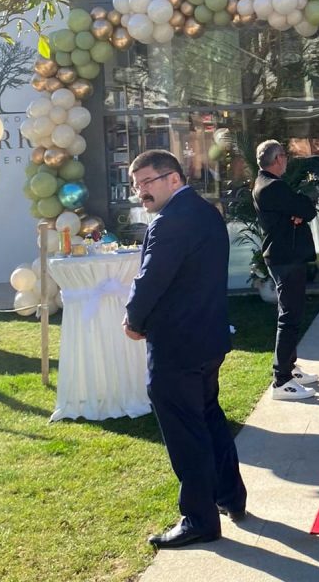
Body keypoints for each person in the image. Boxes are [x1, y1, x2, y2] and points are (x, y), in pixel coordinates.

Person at [122, 149, 246, 549]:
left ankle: (199, 520)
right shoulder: (206, 212)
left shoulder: (171, 221)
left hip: (177, 344)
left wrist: (133, 320)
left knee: (186, 432)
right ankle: (230, 496)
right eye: (136, 185)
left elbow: (150, 280)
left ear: (173, 178)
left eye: (147, 182)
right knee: (208, 417)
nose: (141, 192)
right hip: (207, 338)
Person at [253, 139, 319, 401]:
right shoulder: (273, 186)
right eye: (285, 156)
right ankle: (281, 380)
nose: (287, 161)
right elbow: (306, 207)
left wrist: (298, 211)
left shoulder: (268, 183)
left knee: (291, 313)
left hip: (285, 256)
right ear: (278, 158)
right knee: (289, 317)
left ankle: (289, 368)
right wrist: (299, 210)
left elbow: (301, 209)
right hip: (286, 258)